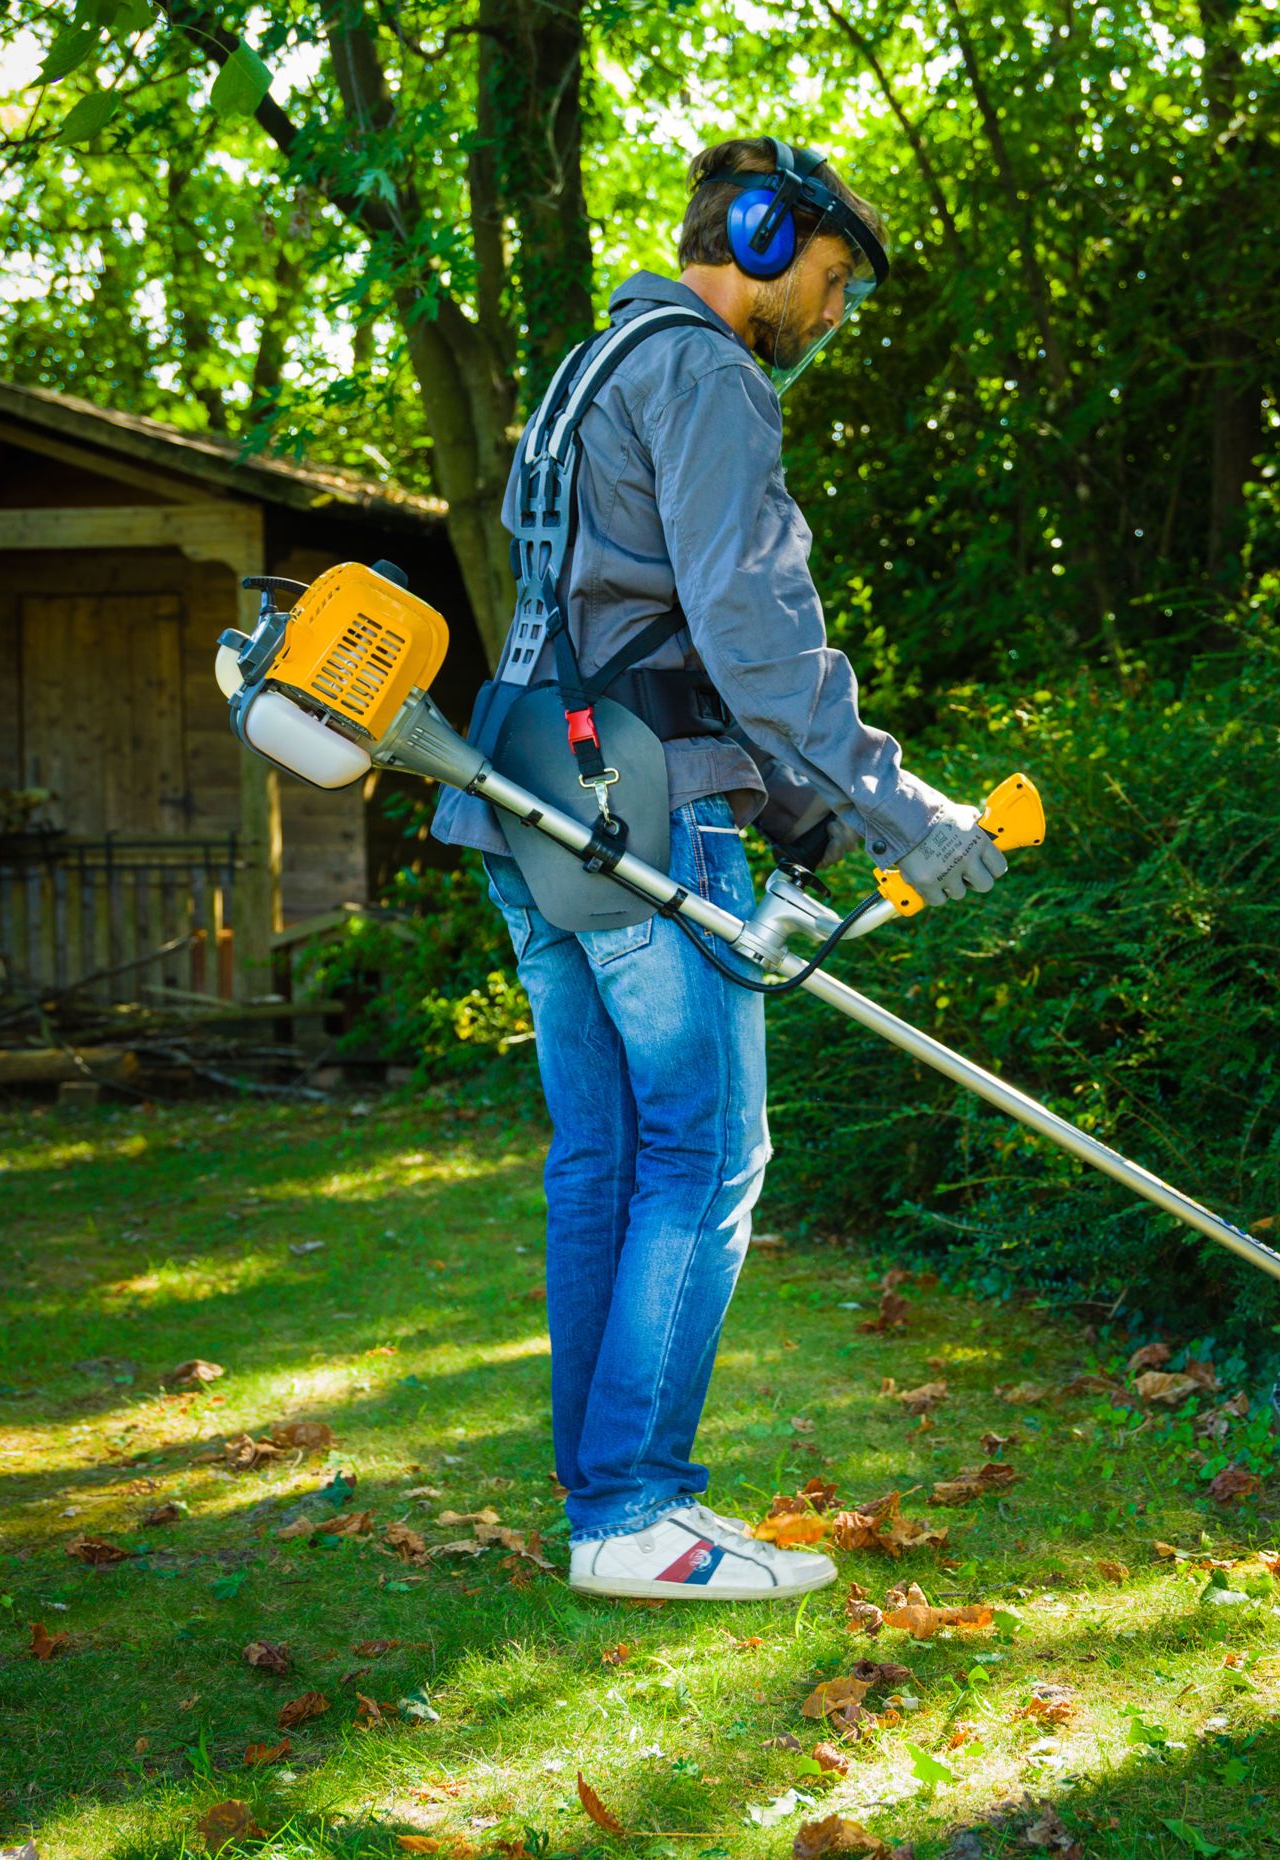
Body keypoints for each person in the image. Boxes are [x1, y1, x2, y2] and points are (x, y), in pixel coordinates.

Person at [430, 137, 1008, 1601]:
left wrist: (802, 827)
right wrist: (900, 812)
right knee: (706, 1158)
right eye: (828, 284)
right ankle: (635, 1512)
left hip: (530, 793)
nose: (831, 319)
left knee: (606, 1162)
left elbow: (633, 627)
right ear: (758, 242)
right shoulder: (704, 377)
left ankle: (607, 1506)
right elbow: (753, 639)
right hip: (638, 807)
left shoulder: (589, 372)